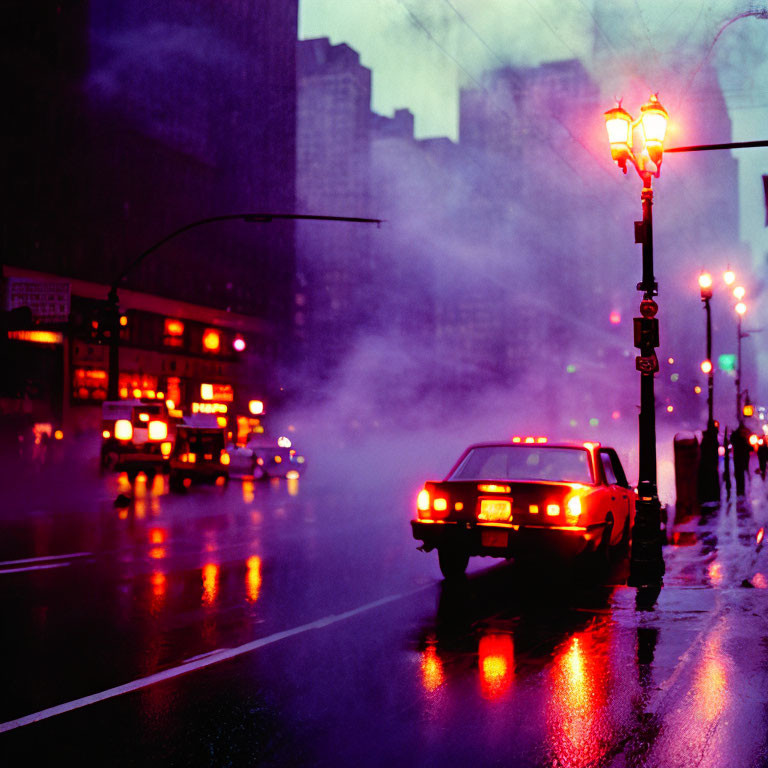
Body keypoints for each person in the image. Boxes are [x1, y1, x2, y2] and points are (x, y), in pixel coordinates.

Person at [731, 424, 752, 498]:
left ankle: (740, 491)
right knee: (740, 475)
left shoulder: (740, 439)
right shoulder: (740, 439)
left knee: (740, 475)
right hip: (740, 459)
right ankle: (740, 491)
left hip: (741, 459)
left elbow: (749, 448)